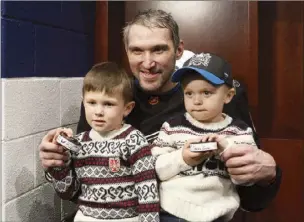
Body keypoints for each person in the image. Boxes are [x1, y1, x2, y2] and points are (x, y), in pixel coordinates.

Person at [39, 9, 281, 222]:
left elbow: (254, 198)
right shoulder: (107, 101)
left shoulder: (218, 97)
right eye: (137, 51)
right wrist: (56, 166)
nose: (148, 62)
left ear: (179, 50)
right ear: (126, 51)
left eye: (158, 50)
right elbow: (84, 189)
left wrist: (269, 173)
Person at [43, 62, 160, 222]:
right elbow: (67, 193)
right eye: (92, 102)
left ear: (127, 108)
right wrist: (59, 166)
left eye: (108, 104)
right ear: (83, 102)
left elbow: (147, 190)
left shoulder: (133, 139)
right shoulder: (78, 143)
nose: (98, 111)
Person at [151, 52, 258, 222]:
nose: (197, 101)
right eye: (189, 93)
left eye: (206, 93)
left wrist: (226, 149)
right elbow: (154, 170)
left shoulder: (240, 131)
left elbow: (247, 179)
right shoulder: (172, 127)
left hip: (218, 213)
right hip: (171, 210)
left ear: (228, 96)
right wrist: (183, 158)